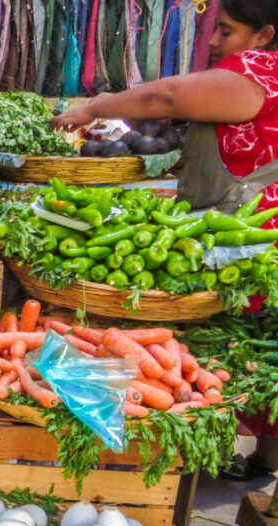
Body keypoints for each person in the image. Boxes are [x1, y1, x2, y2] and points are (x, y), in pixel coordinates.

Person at [53, 0, 278, 479]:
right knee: (257, 350)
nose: (213, 40)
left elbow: (169, 97)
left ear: (263, 36)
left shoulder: (256, 74)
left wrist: (94, 106)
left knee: (236, 348)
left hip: (245, 238)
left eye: (226, 30)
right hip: (246, 231)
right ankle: (254, 462)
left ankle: (198, 458)